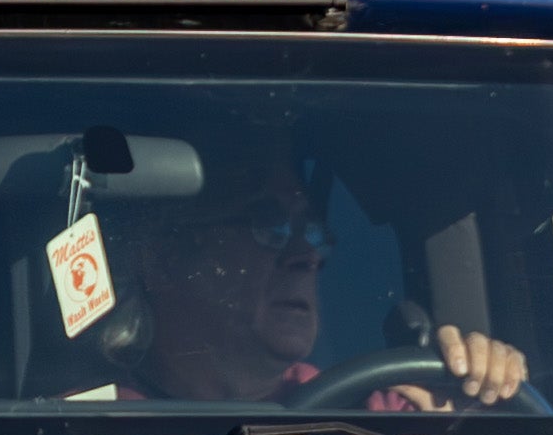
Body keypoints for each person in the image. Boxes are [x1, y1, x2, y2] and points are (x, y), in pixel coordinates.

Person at [112, 157, 528, 412]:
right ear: (164, 261)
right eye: (269, 226)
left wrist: (483, 397)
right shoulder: (83, 427)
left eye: (312, 233)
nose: (306, 256)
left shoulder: (385, 416)